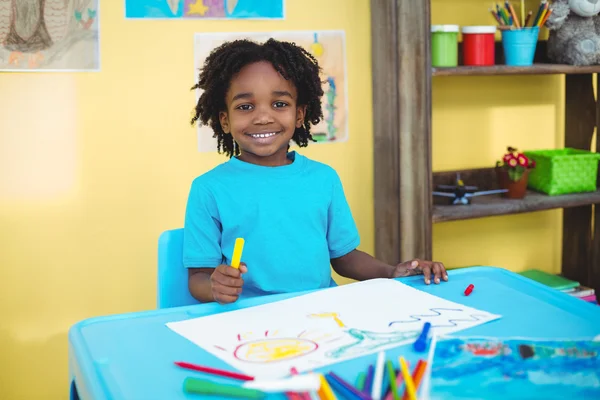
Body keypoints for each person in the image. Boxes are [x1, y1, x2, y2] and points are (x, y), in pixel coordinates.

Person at [184, 38, 448, 304]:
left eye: (279, 104)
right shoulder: (209, 189)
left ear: (299, 115)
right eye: (245, 106)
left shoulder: (324, 179)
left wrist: (392, 272)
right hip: (251, 317)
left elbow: (344, 258)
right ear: (225, 120)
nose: (263, 117)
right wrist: (215, 287)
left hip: (320, 312)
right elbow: (198, 277)